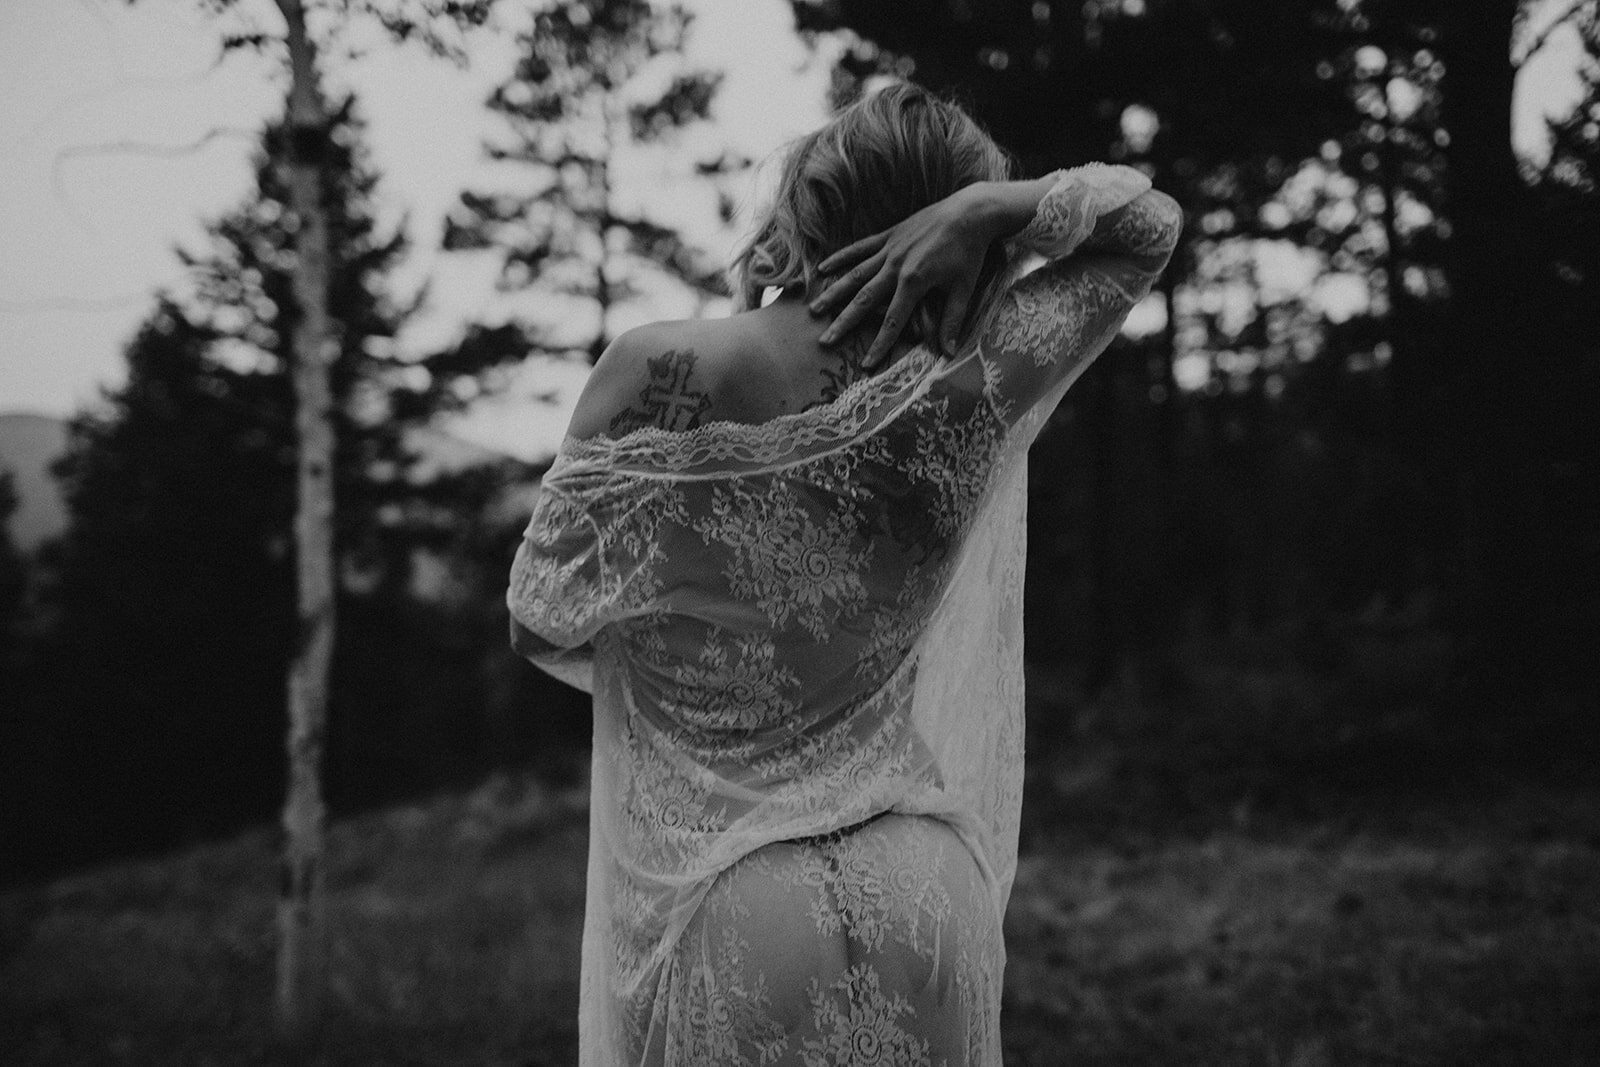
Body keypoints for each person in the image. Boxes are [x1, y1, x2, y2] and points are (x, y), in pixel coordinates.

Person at [508, 81, 1182, 1066]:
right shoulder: (978, 381)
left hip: (730, 890)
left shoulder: (660, 367)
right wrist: (989, 209)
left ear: (807, 202)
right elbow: (1147, 228)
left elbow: (540, 613)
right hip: (923, 877)